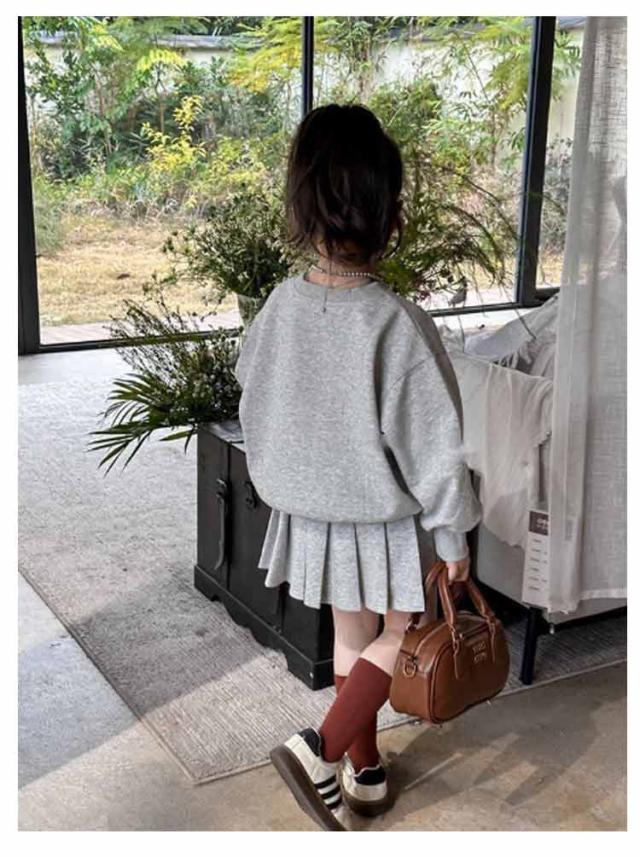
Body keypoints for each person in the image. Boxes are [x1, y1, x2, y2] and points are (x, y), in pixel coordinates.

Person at [233, 103, 482, 831]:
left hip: (314, 512)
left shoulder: (277, 308)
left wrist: (290, 474)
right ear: (388, 213)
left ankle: (365, 774)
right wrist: (453, 538)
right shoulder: (396, 323)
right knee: (400, 632)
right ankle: (320, 747)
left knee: (351, 637)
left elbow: (253, 396)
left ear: (300, 206)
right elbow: (435, 446)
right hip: (384, 517)